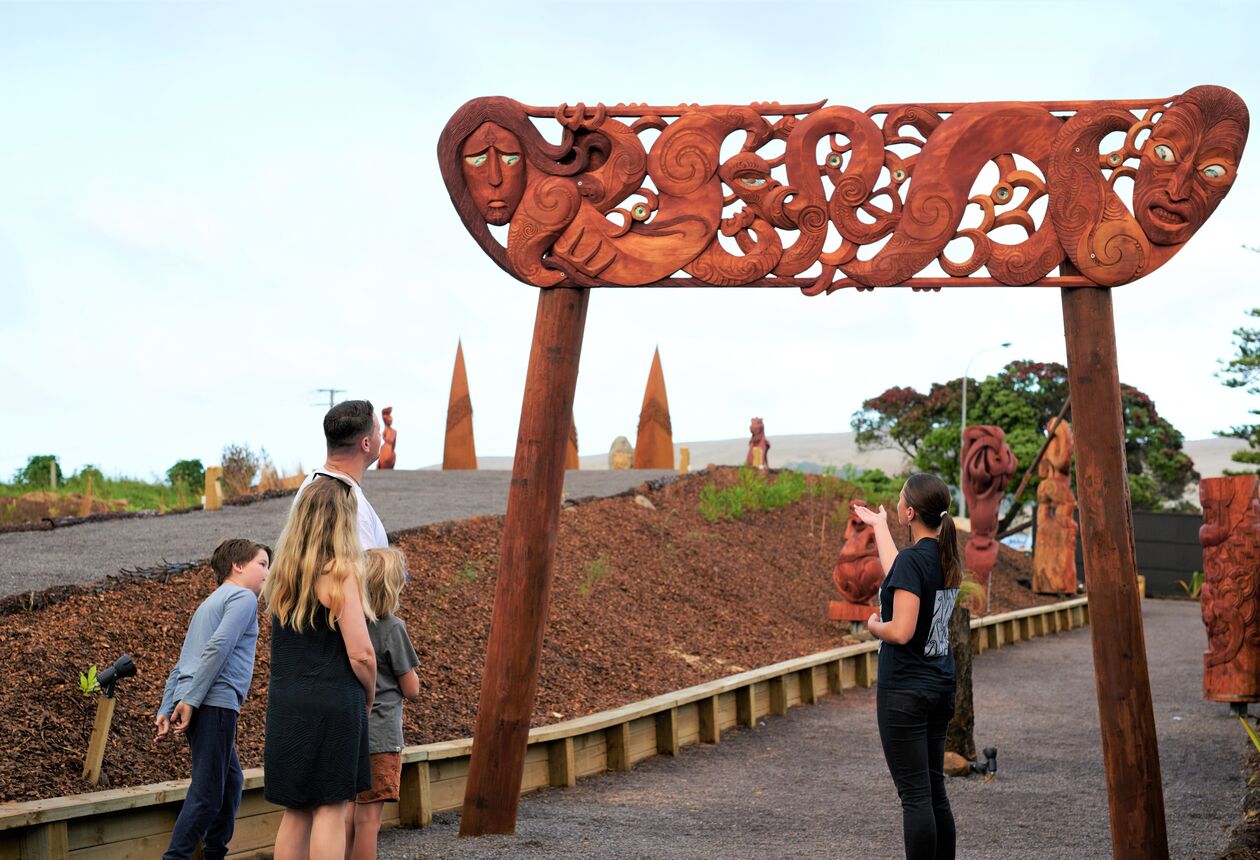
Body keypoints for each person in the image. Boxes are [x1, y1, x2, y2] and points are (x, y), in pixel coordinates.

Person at [263, 477, 377, 860]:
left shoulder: (282, 575)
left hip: (287, 703)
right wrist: (370, 694)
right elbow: (361, 653)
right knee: (330, 807)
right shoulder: (341, 573)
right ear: (341, 519)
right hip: (332, 702)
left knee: (295, 810)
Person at [854, 473, 962, 860]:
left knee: (915, 796)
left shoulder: (914, 561)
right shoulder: (944, 555)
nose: (897, 502)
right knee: (933, 791)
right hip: (939, 686)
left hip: (905, 693)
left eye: (900, 500)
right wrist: (880, 525)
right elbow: (899, 571)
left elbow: (900, 631)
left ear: (911, 511)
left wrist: (873, 626)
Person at [154, 539, 271, 860]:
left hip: (198, 699)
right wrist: (191, 700)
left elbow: (183, 661)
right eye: (262, 564)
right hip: (214, 702)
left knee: (231, 782)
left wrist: (168, 706)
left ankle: (215, 852)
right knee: (207, 793)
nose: (267, 572)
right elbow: (219, 647)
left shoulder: (209, 603)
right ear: (238, 565)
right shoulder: (244, 598)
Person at [344, 547, 420, 860]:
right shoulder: (392, 627)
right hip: (381, 736)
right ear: (393, 586)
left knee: (344, 814)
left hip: (347, 731)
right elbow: (411, 687)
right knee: (368, 819)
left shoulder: (344, 625)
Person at [298, 399, 388, 551]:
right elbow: (365, 571)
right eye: (378, 431)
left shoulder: (310, 483)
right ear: (365, 443)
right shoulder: (351, 506)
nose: (382, 437)